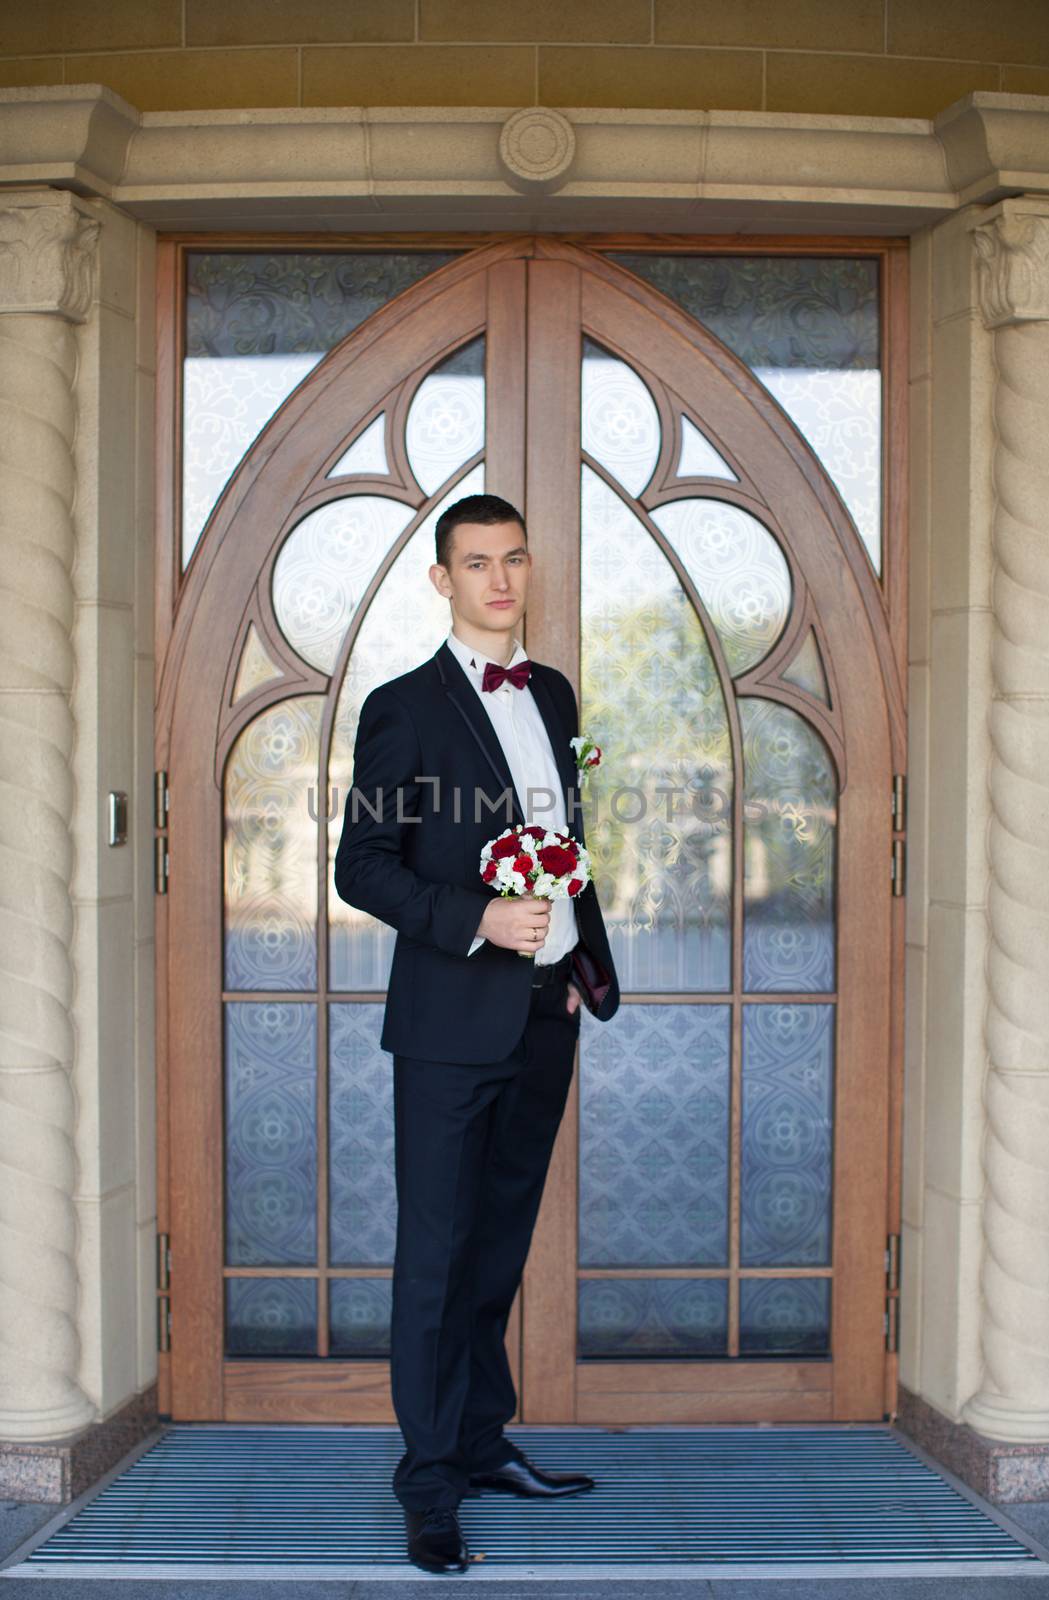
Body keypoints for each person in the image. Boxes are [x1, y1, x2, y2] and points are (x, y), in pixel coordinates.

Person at [334, 493, 619, 1574]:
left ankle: (483, 1441)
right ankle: (427, 1483)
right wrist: (479, 920)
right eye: (475, 562)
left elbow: (562, 837)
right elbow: (359, 867)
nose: (497, 578)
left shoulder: (550, 693)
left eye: (512, 558)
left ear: (528, 568)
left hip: (544, 1019)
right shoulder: (401, 706)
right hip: (449, 1026)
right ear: (440, 580)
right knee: (433, 1258)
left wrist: (578, 958)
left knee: (496, 1247)